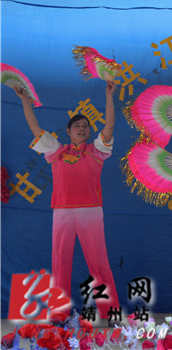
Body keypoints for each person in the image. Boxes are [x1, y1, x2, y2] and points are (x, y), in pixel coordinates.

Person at [14, 81, 120, 321]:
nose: (82, 128)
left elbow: (110, 125)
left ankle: (109, 312)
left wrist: (109, 96)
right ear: (69, 131)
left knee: (99, 264)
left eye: (85, 126)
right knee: (60, 263)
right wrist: (24, 100)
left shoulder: (97, 151)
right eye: (77, 126)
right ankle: (59, 315)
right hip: (62, 212)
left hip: (91, 213)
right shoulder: (56, 150)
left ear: (89, 132)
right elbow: (34, 128)